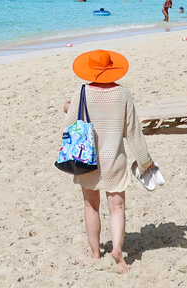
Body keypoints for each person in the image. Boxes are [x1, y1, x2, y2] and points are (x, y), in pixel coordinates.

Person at [62, 50, 154, 274]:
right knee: (117, 207)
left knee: (90, 205)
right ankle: (117, 249)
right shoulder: (123, 94)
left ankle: (94, 252)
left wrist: (69, 107)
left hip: (87, 159)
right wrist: (144, 161)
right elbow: (133, 132)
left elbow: (68, 124)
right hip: (115, 159)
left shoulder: (83, 92)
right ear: (112, 69)